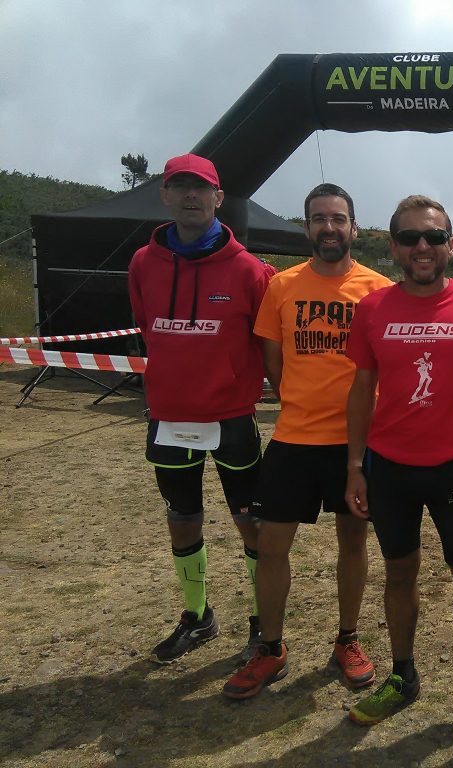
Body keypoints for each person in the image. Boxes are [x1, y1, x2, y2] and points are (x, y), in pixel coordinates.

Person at [343, 194, 453, 755]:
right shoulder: (372, 308)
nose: (422, 246)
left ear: (450, 245)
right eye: (410, 237)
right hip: (388, 467)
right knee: (398, 574)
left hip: (452, 469)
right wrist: (355, 465)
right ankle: (403, 675)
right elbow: (362, 388)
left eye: (434, 237)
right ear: (392, 246)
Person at [221, 184, 392, 699]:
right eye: (319, 218)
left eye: (338, 218)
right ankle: (270, 647)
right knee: (271, 545)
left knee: (353, 543)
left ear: (354, 227)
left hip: (354, 444)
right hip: (294, 438)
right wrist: (301, 401)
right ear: (306, 227)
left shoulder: (378, 289)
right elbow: (273, 365)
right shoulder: (282, 287)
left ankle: (348, 639)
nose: (329, 227)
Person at [128, 153, 274, 664]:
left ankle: (263, 621)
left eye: (201, 187)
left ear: (219, 197)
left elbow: (266, 340)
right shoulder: (143, 263)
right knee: (182, 518)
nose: (191, 195)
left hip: (230, 418)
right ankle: (197, 615)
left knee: (251, 522)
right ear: (165, 195)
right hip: (169, 416)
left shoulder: (249, 270)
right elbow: (148, 326)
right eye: (181, 186)